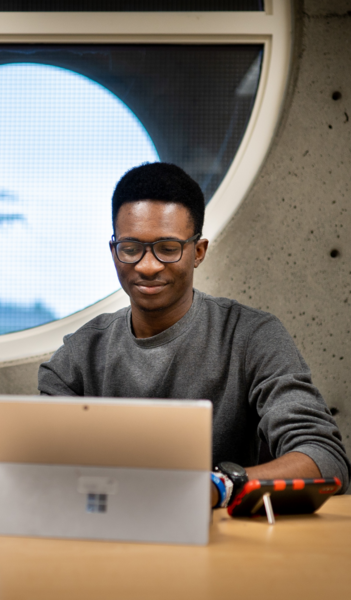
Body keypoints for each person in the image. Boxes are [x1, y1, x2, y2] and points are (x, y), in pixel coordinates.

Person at [38, 162, 350, 507]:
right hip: (106, 538)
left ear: (197, 252)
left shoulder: (252, 337)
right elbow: (39, 472)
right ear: (114, 252)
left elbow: (324, 457)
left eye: (168, 248)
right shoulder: (78, 357)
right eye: (130, 248)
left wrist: (221, 486)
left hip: (227, 545)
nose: (147, 265)